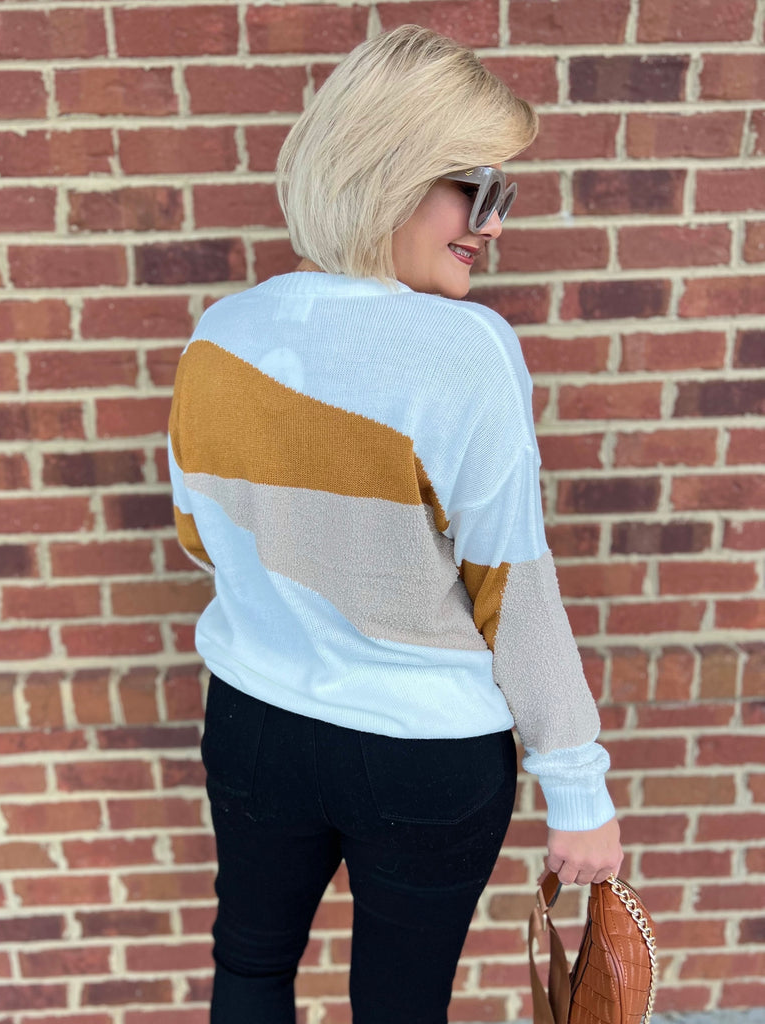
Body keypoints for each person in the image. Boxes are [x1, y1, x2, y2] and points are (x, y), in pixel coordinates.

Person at [167, 24, 622, 1024]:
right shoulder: (465, 350)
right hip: (423, 752)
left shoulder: (219, 334)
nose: (493, 226)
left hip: (253, 721)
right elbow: (514, 589)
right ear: (393, 170)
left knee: (248, 967)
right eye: (480, 189)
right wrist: (577, 788)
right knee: (400, 1006)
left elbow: (201, 538)